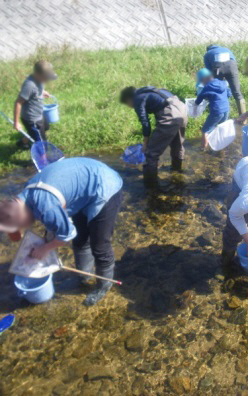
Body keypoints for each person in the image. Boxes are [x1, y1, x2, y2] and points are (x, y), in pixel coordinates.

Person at [0, 158, 123, 306]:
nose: (27, 226)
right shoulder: (24, 196)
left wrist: (45, 248)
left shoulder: (45, 206)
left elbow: (66, 236)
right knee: (81, 240)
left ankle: (103, 286)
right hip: (83, 188)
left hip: (104, 185)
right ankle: (84, 277)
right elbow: (59, 212)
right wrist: (45, 241)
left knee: (100, 246)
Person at [120, 86, 188, 187]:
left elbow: (145, 122)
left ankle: (150, 186)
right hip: (182, 109)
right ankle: (177, 173)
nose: (130, 106)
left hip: (170, 115)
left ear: (129, 99)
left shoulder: (137, 99)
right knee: (177, 146)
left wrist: (145, 143)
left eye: (127, 104)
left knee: (151, 154)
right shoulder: (150, 90)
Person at [13, 61, 58, 148]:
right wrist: (16, 122)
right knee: (42, 145)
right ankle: (43, 160)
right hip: (32, 119)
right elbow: (18, 103)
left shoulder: (39, 80)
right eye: (46, 78)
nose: (47, 80)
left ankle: (23, 142)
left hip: (39, 113)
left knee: (46, 127)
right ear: (38, 75)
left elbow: (37, 89)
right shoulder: (29, 86)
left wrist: (42, 92)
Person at [195, 68, 232, 150]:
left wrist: (196, 103)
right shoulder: (222, 83)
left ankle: (203, 148)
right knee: (221, 127)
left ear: (204, 79)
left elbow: (199, 98)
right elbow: (229, 94)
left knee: (205, 130)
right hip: (226, 109)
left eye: (201, 81)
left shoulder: (207, 86)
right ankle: (222, 146)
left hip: (216, 111)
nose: (202, 83)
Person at [204, 45, 246, 116]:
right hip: (232, 67)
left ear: (208, 49)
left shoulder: (207, 54)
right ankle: (243, 118)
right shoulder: (226, 49)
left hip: (218, 69)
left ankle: (218, 113)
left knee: (217, 90)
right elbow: (234, 61)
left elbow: (209, 71)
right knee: (237, 92)